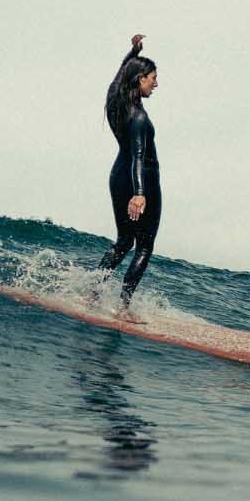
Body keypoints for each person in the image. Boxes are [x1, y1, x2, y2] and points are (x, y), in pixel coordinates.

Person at [94, 33, 161, 311]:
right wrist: (140, 194)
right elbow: (137, 155)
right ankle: (123, 307)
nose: (156, 83)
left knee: (123, 241)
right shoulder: (138, 118)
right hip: (140, 178)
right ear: (139, 80)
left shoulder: (115, 97)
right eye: (152, 78)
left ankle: (94, 293)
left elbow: (120, 75)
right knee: (144, 246)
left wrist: (132, 52)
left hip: (117, 176)